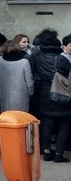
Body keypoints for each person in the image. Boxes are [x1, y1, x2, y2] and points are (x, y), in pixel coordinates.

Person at [31, 29, 71, 163]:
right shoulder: (63, 59)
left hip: (45, 93)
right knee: (64, 125)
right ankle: (59, 154)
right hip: (62, 93)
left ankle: (47, 152)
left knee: (47, 123)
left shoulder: (37, 58)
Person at [0, 39, 34, 113]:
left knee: (5, 116)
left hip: (3, 95)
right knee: (20, 117)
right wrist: (31, 93)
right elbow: (29, 82)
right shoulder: (24, 62)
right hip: (21, 95)